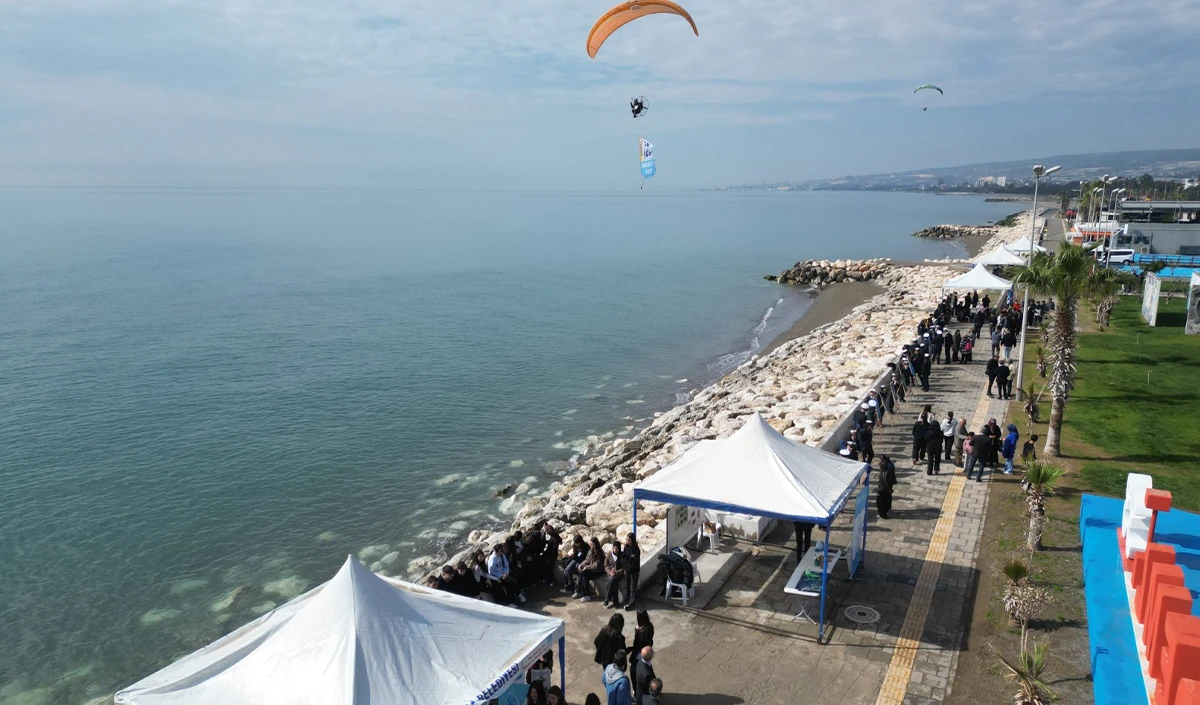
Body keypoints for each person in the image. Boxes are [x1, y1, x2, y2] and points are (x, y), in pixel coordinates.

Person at [620, 533, 641, 610]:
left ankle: (632, 604)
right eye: (626, 540)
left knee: (633, 588)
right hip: (627, 571)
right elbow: (623, 558)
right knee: (627, 586)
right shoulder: (626, 547)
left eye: (629, 540)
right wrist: (625, 568)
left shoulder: (635, 549)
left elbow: (634, 562)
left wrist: (628, 568)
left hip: (633, 571)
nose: (627, 541)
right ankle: (627, 601)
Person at [603, 540, 625, 608]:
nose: (615, 550)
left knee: (612, 580)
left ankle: (607, 598)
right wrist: (610, 571)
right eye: (614, 548)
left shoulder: (622, 555)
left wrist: (616, 572)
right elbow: (606, 565)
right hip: (610, 573)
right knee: (612, 581)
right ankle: (616, 602)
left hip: (619, 573)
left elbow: (624, 567)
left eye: (617, 548)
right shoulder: (609, 554)